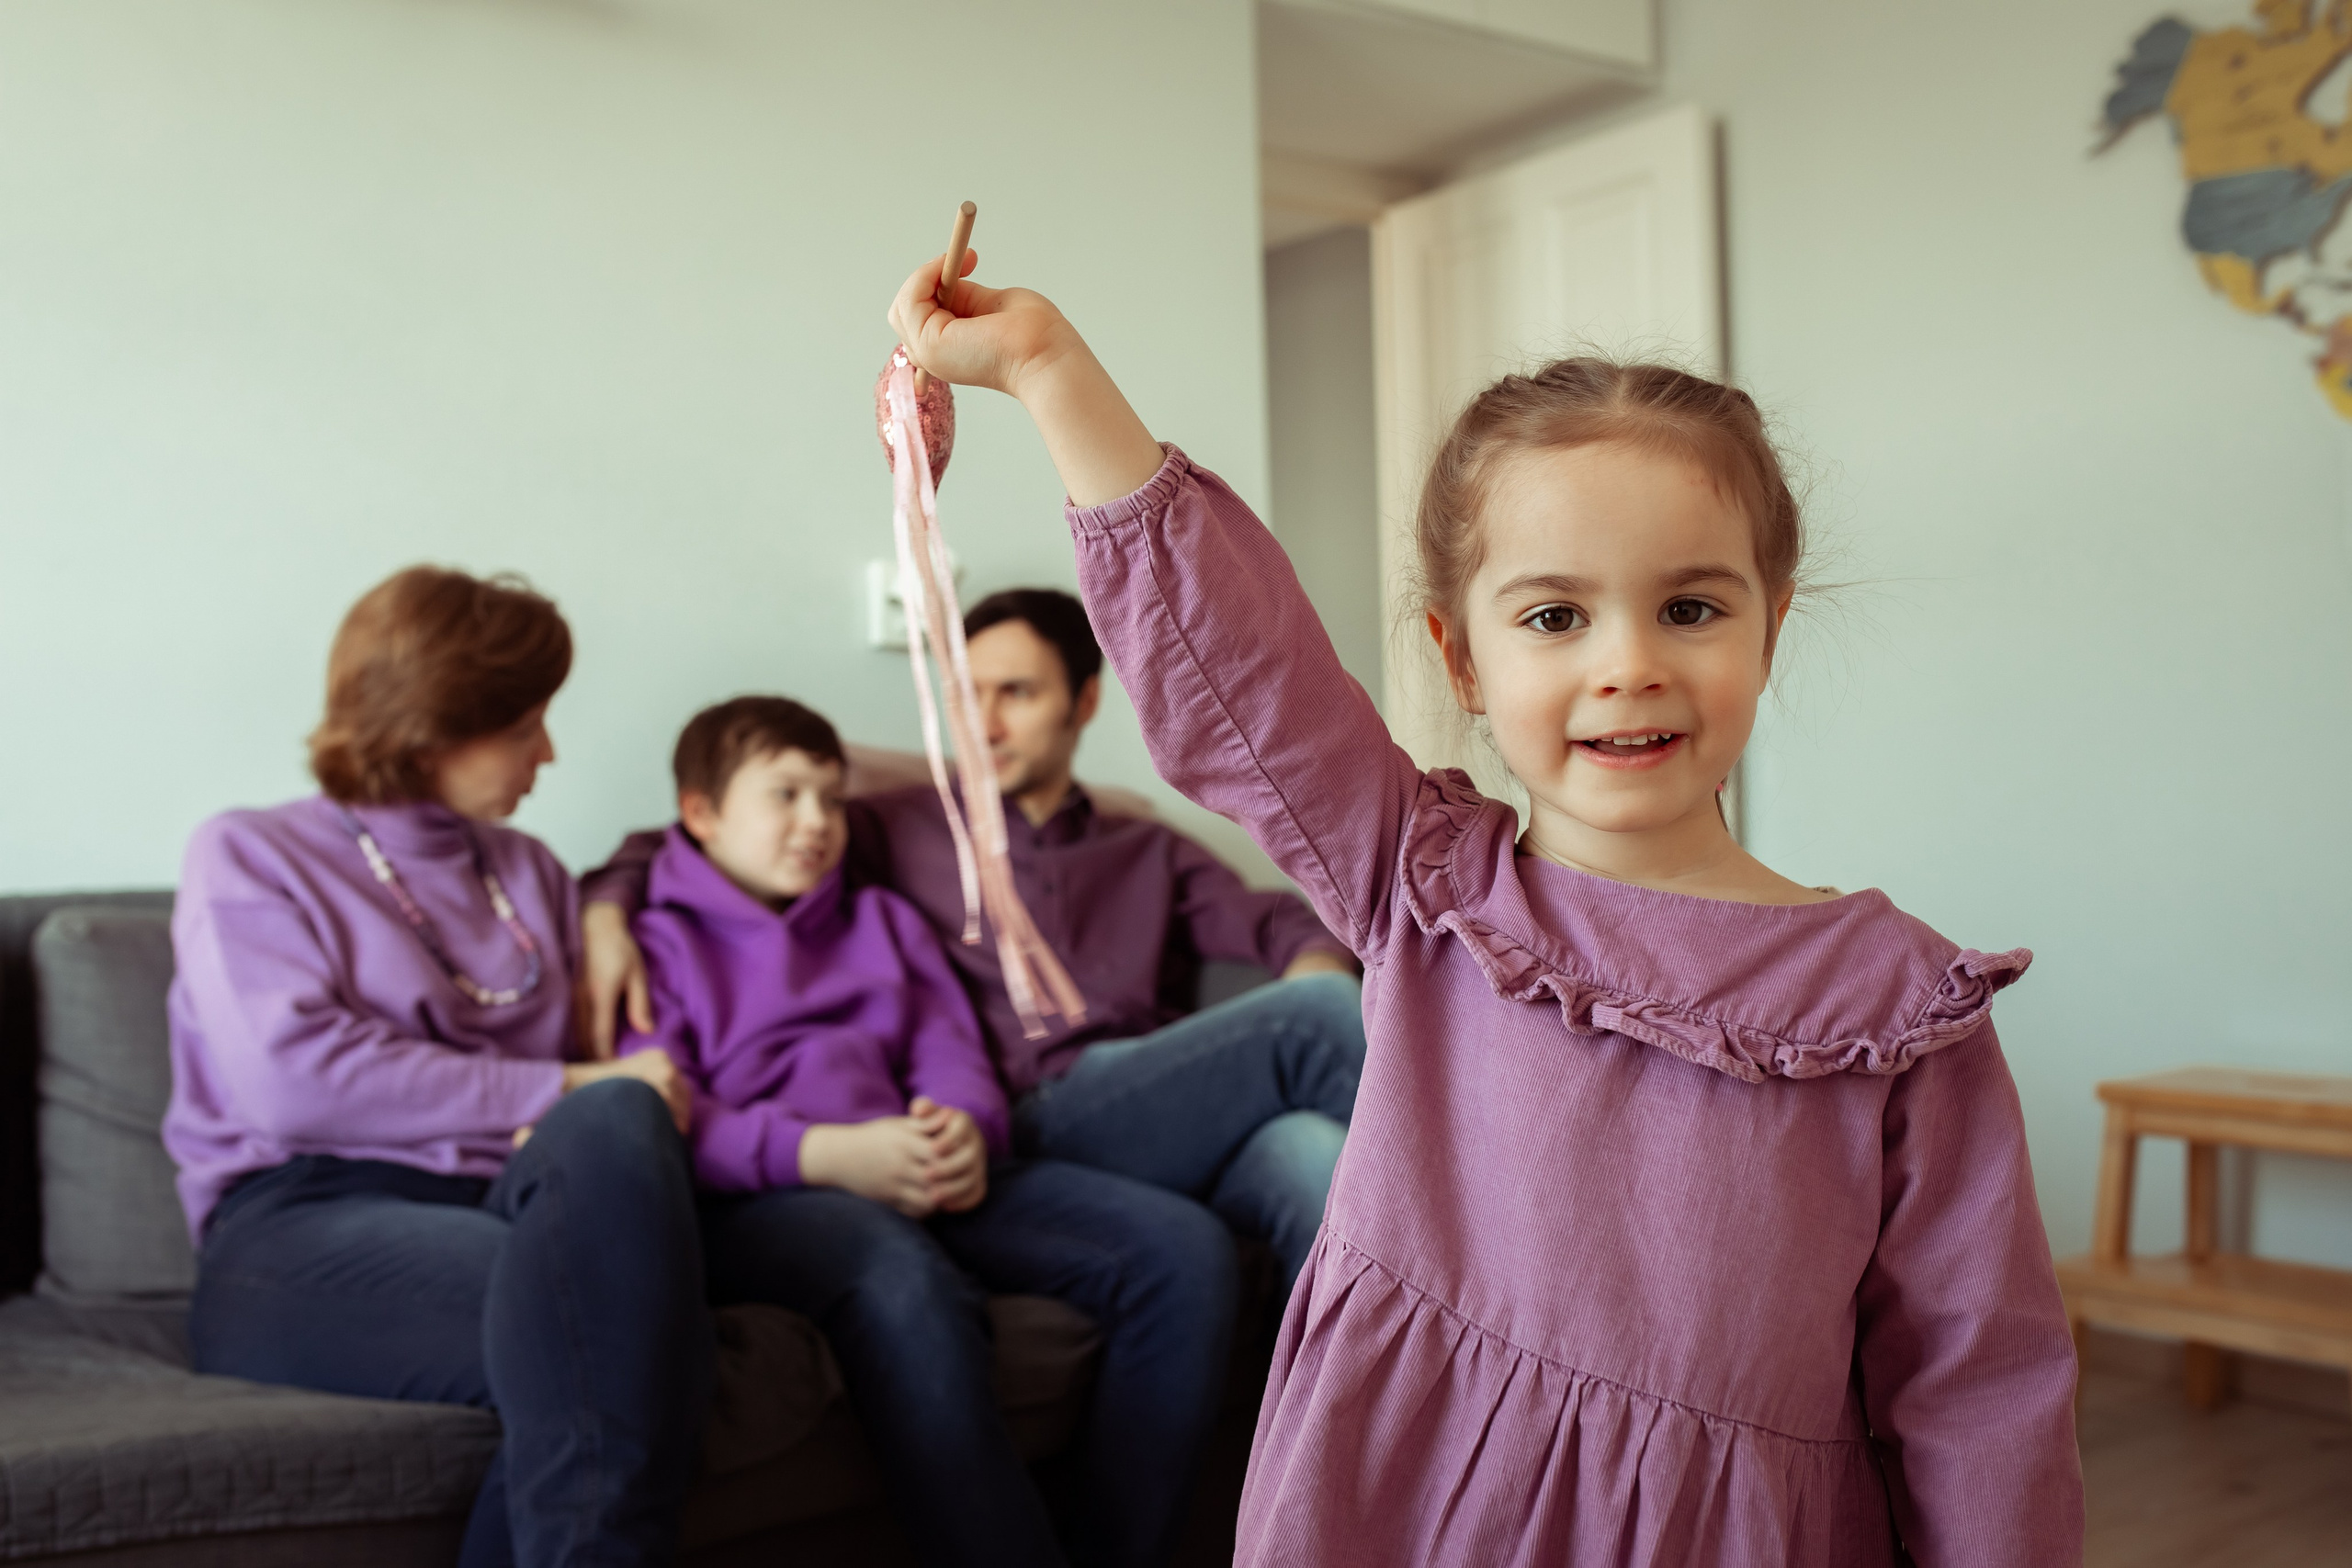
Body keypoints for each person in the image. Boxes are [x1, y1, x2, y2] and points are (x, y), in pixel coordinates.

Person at [875, 251, 2085, 1565]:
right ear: (1461, 654)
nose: (1628, 663)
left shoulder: (1893, 1008)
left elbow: (1982, 1391)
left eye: (1690, 606)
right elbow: (1237, 658)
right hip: (1409, 1501)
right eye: (1555, 615)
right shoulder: (1423, 876)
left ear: (1769, 628)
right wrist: (1051, 372)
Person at [163, 567, 713, 1568]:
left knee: (619, 1149)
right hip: (296, 1230)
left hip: (502, 1209)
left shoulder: (533, 872)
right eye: (523, 726)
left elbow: (600, 1107)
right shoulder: (249, 855)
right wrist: (559, 1089)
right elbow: (294, 1086)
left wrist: (608, 909)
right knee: (626, 1329)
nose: (549, 751)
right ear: (428, 725)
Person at [581, 588, 1367, 1287]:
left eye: (1015, 694)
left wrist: (1312, 958)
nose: (983, 724)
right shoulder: (902, 822)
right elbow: (707, 833)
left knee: (1309, 1157)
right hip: (1009, 1109)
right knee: (1315, 1019)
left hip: (1142, 1106)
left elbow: (1282, 919)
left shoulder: (1144, 845)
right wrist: (605, 913)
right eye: (967, 695)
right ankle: (1491, 1230)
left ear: (1083, 701)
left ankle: (1378, 1436)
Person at [622, 694, 1236, 1568]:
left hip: (925, 1165)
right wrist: (825, 1153)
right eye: (786, 795)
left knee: (1183, 1250)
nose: (817, 822)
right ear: (702, 813)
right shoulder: (654, 947)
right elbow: (664, 1116)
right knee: (903, 1282)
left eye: (832, 799)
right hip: (772, 1196)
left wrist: (964, 1128)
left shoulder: (883, 920)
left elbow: (950, 1049)